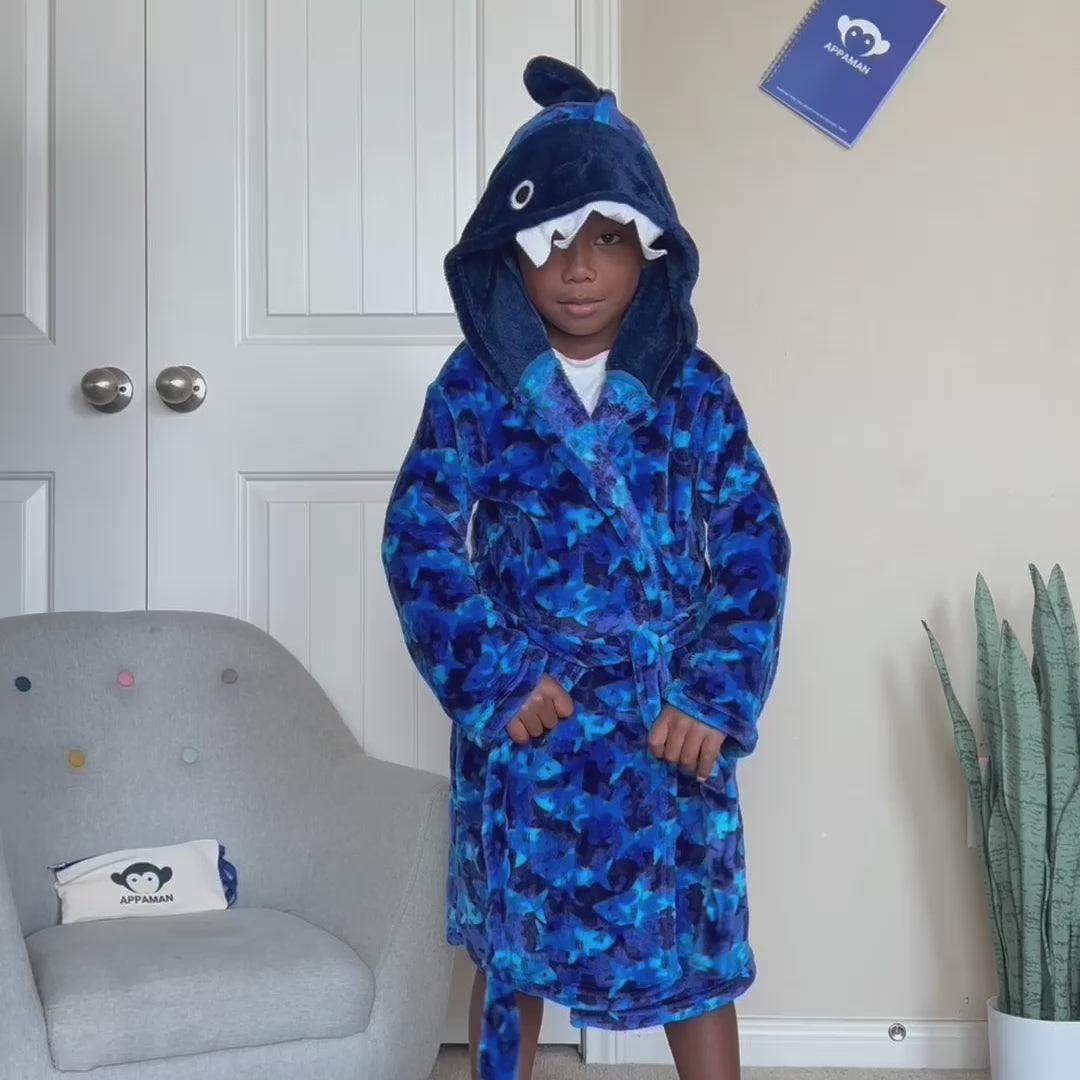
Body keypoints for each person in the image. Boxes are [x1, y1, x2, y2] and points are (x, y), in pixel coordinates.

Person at [382, 55, 790, 1080]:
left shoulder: (695, 389)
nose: (577, 269)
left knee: (695, 952)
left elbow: (755, 541)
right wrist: (497, 676)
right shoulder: (475, 388)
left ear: (650, 251)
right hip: (538, 719)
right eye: (552, 241)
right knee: (510, 952)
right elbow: (418, 535)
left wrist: (714, 691)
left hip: (668, 725)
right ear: (507, 255)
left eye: (606, 239)